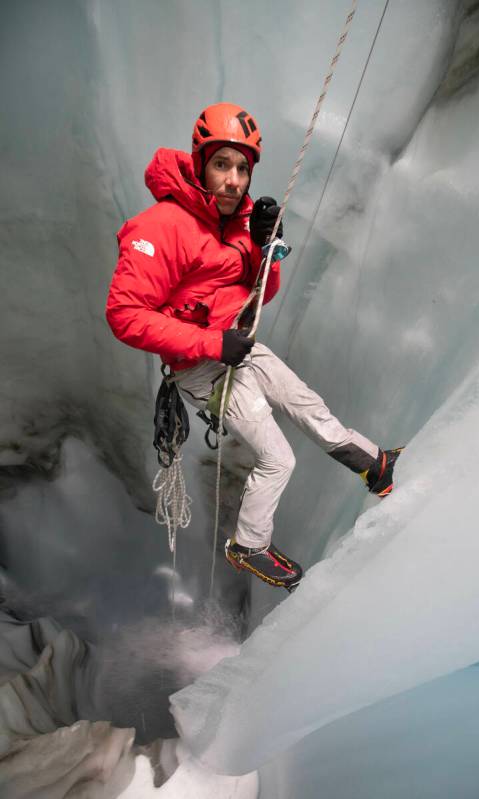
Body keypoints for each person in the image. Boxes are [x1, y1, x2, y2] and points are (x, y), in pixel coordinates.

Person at [106, 102, 401, 592]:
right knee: (277, 458)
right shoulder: (159, 228)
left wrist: (267, 250)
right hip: (201, 368)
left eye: (243, 168)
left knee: (307, 404)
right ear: (200, 163)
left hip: (236, 349)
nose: (234, 180)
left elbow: (262, 293)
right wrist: (211, 342)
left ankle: (375, 465)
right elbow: (125, 315)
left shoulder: (238, 222)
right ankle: (249, 545)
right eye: (222, 164)